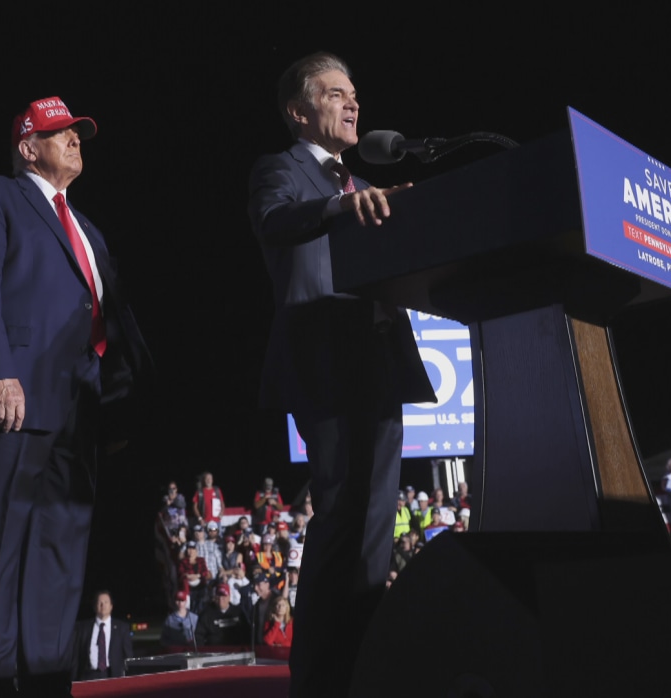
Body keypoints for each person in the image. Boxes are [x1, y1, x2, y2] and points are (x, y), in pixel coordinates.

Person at [0, 95, 152, 698]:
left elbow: (113, 325)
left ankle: (47, 675)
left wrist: (118, 405)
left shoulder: (89, 231)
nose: (75, 140)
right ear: (28, 148)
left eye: (78, 133)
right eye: (60, 133)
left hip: (79, 412)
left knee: (59, 551)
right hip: (10, 400)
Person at [246, 53, 436, 697]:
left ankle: (362, 667)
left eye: (355, 93)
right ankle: (320, 679)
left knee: (376, 525)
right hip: (323, 357)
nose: (353, 103)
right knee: (341, 516)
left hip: (380, 359)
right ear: (300, 112)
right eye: (335, 93)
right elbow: (276, 221)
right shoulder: (284, 171)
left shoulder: (361, 185)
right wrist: (338, 208)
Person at [73, 591, 133, 681]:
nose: (103, 605)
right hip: (89, 676)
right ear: (94, 607)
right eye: (99, 602)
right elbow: (76, 657)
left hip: (112, 676)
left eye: (106, 602)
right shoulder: (83, 628)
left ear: (111, 606)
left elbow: (128, 656)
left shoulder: (122, 628)